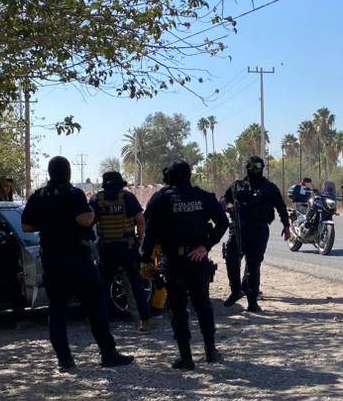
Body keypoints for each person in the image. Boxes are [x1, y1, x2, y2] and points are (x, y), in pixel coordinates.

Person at [22, 156, 134, 372]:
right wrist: (91, 213)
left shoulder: (39, 196)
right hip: (77, 259)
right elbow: (84, 220)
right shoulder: (73, 194)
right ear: (68, 172)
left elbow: (27, 226)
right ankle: (108, 353)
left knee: (57, 310)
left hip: (52, 260)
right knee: (96, 305)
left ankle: (65, 360)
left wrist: (48, 223)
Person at [140, 159, 229, 370]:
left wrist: (144, 258)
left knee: (178, 308)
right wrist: (206, 246)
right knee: (202, 305)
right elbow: (223, 223)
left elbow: (150, 231)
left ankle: (186, 358)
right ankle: (211, 351)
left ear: (169, 177)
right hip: (197, 260)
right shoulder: (204, 197)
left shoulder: (161, 199)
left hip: (174, 261)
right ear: (189, 175)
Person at [223, 155, 290, 313]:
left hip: (259, 229)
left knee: (253, 265)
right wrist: (229, 205)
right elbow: (225, 199)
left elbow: (281, 207)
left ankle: (252, 303)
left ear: (262, 168)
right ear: (247, 168)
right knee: (232, 258)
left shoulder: (269, 187)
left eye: (258, 167)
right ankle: (236, 290)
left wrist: (286, 226)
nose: (255, 170)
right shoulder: (237, 186)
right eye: (252, 167)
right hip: (239, 229)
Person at [90, 171, 152, 325]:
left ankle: (101, 320)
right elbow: (140, 221)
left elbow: (89, 222)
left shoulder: (96, 199)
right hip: (127, 247)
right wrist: (140, 238)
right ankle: (145, 319)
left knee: (103, 286)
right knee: (136, 283)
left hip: (106, 248)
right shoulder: (127, 197)